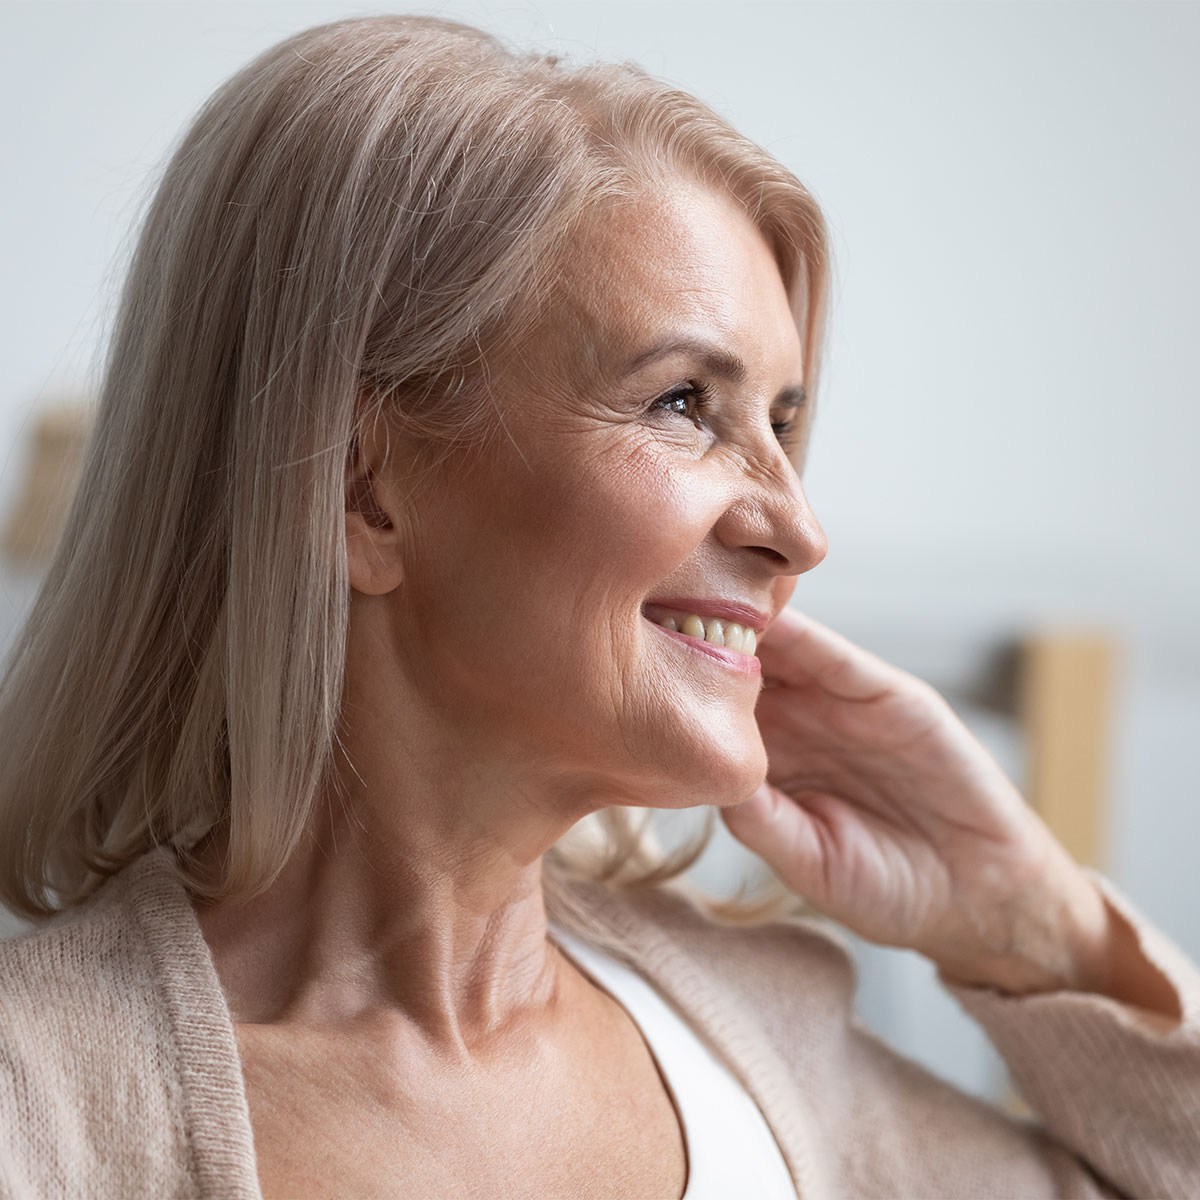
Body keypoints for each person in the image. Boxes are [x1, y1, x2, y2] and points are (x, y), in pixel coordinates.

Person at [1, 13, 1197, 1200]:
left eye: (782, 424)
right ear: (363, 487)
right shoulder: (39, 1107)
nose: (799, 531)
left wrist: (1034, 923)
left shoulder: (769, 1050)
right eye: (684, 403)